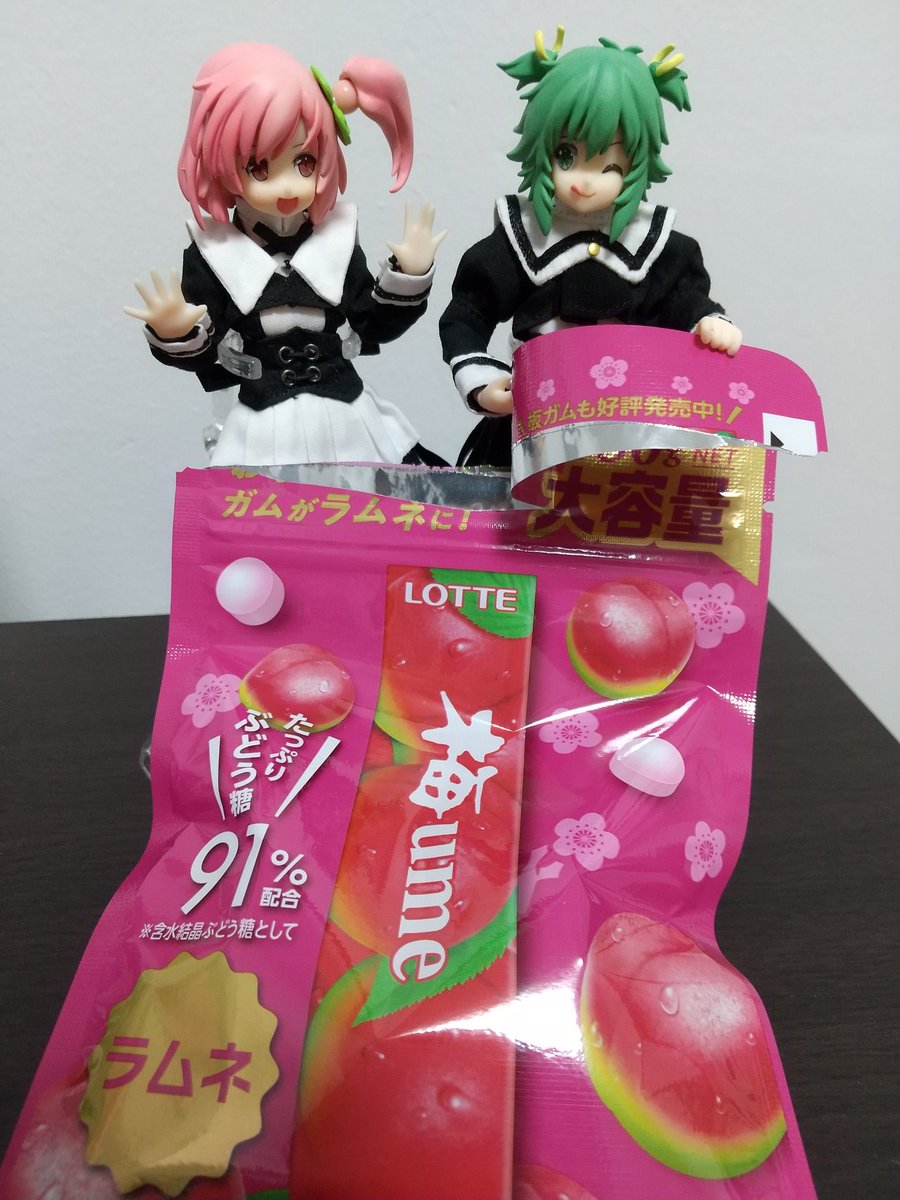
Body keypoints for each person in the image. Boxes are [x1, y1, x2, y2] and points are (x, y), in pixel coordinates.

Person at [127, 42, 445, 467]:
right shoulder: (215, 253)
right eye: (259, 168)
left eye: (305, 163)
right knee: (260, 508)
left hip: (347, 415)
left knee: (383, 499)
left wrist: (407, 277)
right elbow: (208, 352)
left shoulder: (336, 241)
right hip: (263, 425)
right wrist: (176, 331)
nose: (287, 186)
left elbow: (372, 323)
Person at [440, 31, 740, 469]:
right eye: (566, 155)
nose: (583, 180)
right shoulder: (522, 238)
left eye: (610, 165)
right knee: (520, 507)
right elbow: (468, 313)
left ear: (638, 164)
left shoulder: (654, 245)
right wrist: (483, 381)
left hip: (630, 427)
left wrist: (708, 322)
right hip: (535, 426)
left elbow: (681, 301)